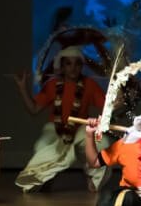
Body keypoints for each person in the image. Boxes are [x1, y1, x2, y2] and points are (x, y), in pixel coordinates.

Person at [11, 45, 107, 192]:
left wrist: (117, 100)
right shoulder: (52, 85)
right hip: (55, 128)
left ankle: (94, 179)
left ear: (81, 66)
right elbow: (34, 109)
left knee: (102, 143)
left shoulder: (89, 84)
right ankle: (45, 178)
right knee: (41, 146)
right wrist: (22, 88)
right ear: (62, 66)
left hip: (82, 129)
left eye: (77, 64)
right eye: (68, 63)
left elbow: (106, 107)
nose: (73, 68)